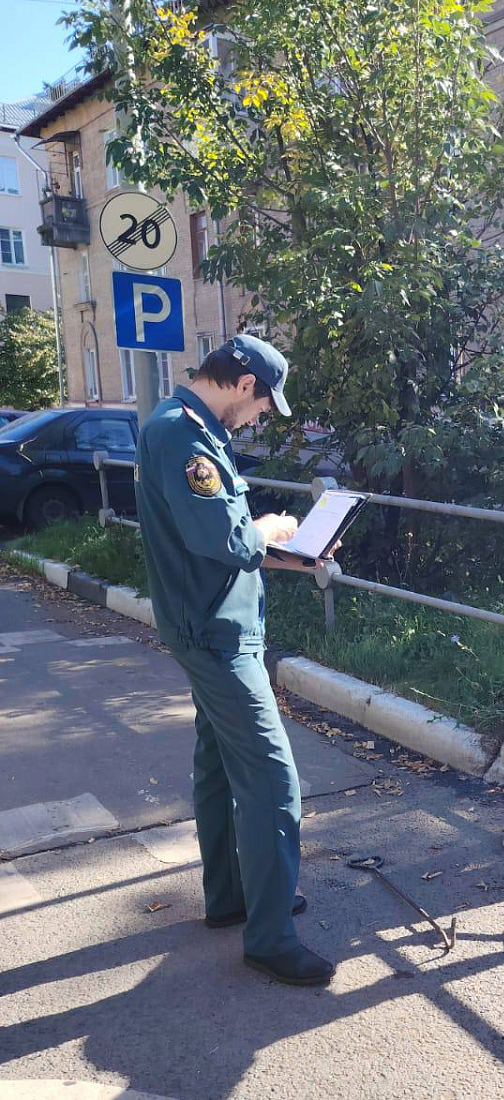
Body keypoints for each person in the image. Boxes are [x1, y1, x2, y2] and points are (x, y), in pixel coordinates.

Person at [135, 333, 334, 986]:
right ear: (243, 385)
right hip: (215, 634)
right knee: (275, 786)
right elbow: (218, 533)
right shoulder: (181, 434)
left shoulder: (188, 429)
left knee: (218, 766)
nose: (257, 418)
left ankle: (230, 899)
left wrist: (291, 555)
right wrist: (276, 528)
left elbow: (220, 546)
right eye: (261, 407)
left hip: (217, 622)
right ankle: (269, 937)